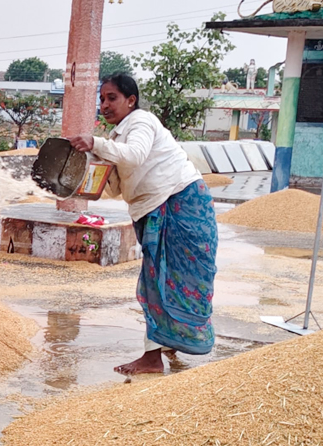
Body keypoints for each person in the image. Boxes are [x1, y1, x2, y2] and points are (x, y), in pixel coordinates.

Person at [68, 74, 216, 376]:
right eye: (102, 99)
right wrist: (92, 162)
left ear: (131, 100)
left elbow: (134, 156)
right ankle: (169, 341)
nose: (104, 105)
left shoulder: (141, 122)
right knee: (166, 278)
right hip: (156, 207)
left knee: (161, 280)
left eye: (112, 98)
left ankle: (152, 358)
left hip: (178, 203)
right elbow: (116, 187)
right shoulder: (118, 136)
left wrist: (96, 142)